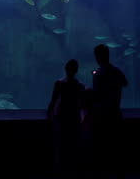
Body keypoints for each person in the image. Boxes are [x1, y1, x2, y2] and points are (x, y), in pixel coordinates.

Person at [90, 44, 128, 176]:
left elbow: (96, 95)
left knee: (101, 148)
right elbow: (125, 83)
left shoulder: (99, 74)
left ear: (98, 57)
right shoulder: (116, 71)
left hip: (102, 115)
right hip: (116, 113)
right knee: (116, 147)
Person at [47, 59, 85, 177]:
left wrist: (49, 115)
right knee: (73, 145)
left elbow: (53, 101)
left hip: (61, 117)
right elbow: (82, 104)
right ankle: (73, 170)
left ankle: (59, 170)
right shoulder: (80, 86)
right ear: (76, 70)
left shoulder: (59, 83)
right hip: (74, 118)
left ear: (65, 69)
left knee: (60, 145)